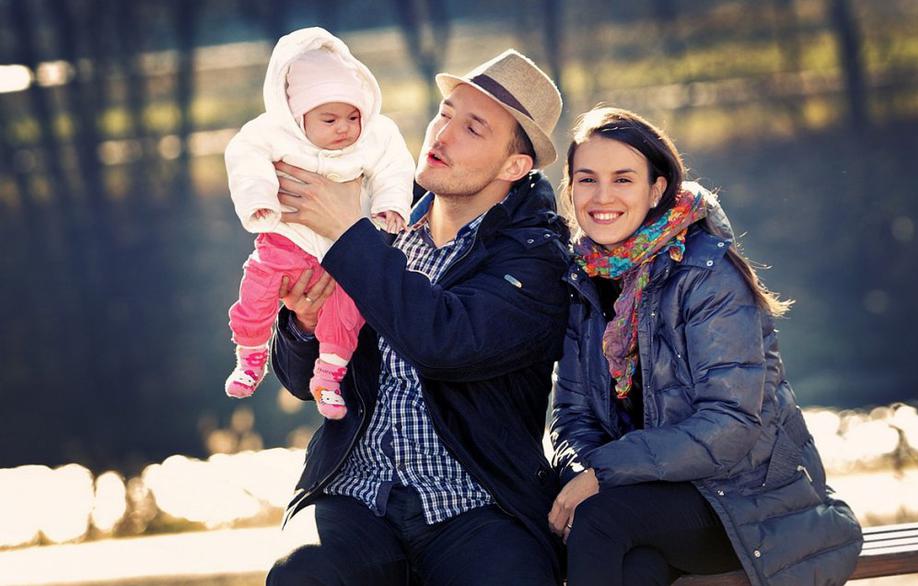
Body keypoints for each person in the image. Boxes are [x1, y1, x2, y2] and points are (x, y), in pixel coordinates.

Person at [266, 49, 570, 585]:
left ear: (514, 166)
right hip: (355, 492)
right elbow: (298, 380)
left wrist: (348, 237)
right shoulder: (379, 218)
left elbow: (444, 342)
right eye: (445, 114)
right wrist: (304, 325)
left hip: (479, 501)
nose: (442, 135)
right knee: (301, 573)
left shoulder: (536, 258)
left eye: (472, 128)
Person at [547, 106, 863, 586]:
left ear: (656, 189)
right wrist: (581, 472)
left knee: (600, 520)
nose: (602, 196)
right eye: (587, 179)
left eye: (623, 179)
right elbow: (572, 414)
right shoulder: (583, 278)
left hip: (744, 497)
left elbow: (730, 425)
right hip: (642, 494)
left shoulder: (706, 275)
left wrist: (602, 474)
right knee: (631, 567)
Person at [223, 27, 414, 420]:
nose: (344, 128)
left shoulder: (374, 137)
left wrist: (390, 204)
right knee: (257, 287)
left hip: (344, 255)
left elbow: (393, 166)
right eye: (329, 119)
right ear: (299, 117)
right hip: (286, 241)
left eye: (353, 117)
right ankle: (250, 356)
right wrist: (259, 200)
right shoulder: (272, 135)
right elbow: (246, 159)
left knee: (348, 311)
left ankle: (329, 376)